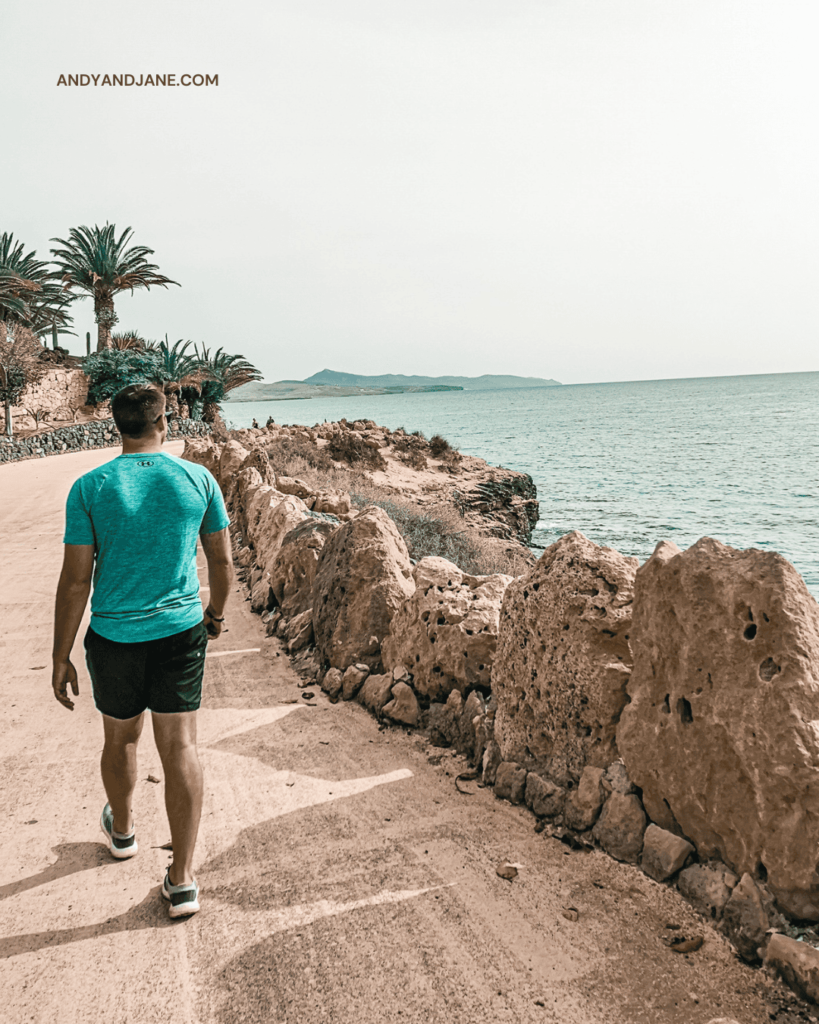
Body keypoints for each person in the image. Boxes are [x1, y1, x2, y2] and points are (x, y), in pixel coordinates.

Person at [51, 384, 233, 919]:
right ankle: (182, 881)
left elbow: (74, 581)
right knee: (179, 747)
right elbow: (221, 564)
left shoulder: (89, 487)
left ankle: (124, 829)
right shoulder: (197, 479)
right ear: (165, 422)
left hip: (114, 637)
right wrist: (215, 616)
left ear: (116, 425)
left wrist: (60, 655)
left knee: (120, 737)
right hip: (180, 632)